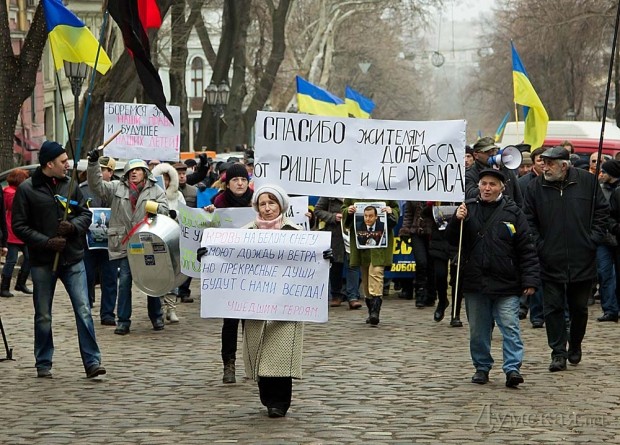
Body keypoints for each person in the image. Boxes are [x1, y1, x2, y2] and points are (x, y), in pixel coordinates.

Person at [12, 141, 106, 378]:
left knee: (84, 310)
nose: (67, 165)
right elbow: (19, 226)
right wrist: (46, 242)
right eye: (63, 162)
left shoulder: (70, 184)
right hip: (43, 262)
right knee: (43, 315)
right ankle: (43, 362)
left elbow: (85, 213)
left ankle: (92, 361)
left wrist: (73, 227)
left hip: (72, 258)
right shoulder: (27, 189)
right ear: (49, 164)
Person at [447, 169, 538, 387]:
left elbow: (526, 248)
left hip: (506, 282)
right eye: (484, 184)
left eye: (492, 184)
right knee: (478, 331)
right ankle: (481, 367)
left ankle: (512, 368)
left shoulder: (513, 212)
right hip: (476, 282)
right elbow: (451, 239)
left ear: (501, 188)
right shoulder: (467, 209)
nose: (487, 188)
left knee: (510, 327)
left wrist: (530, 280)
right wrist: (456, 220)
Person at [523, 146, 608, 372]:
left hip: (582, 258)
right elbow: (528, 220)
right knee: (553, 308)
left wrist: (592, 239)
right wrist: (540, 245)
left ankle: (575, 343)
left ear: (564, 165)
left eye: (550, 163)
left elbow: (602, 212)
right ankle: (558, 352)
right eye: (544, 162)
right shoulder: (535, 187)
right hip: (550, 258)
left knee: (579, 308)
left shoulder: (587, 182)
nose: (545, 167)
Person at [87, 151, 169, 335]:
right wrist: (93, 164)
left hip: (148, 243)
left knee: (151, 280)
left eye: (138, 170)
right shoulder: (117, 187)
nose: (134, 173)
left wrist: (153, 208)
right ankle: (123, 321)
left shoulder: (156, 190)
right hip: (126, 243)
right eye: (131, 170)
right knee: (124, 281)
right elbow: (96, 186)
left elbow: (166, 212)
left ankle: (156, 316)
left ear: (145, 173)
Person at [242, 184, 304, 418]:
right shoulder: (245, 233)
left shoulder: (296, 232)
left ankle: (279, 402)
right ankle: (268, 398)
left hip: (286, 302)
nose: (267, 208)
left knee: (281, 354)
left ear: (281, 205)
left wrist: (323, 257)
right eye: (262, 204)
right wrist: (209, 255)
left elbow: (311, 263)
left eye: (272, 203)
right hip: (256, 302)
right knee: (261, 352)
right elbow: (229, 259)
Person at [203, 163, 253, 384]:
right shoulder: (218, 204)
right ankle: (229, 363)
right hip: (229, 272)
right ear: (227, 183)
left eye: (243, 179)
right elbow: (205, 233)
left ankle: (253, 362)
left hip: (253, 271)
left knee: (252, 321)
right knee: (230, 321)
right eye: (235, 180)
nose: (240, 183)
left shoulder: (258, 202)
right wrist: (208, 217)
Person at [343, 199, 399, 326]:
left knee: (376, 272)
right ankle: (370, 309)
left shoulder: (386, 191)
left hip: (380, 245)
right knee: (366, 279)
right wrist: (348, 211)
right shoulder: (354, 192)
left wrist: (391, 212)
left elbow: (396, 210)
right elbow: (345, 209)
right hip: (361, 245)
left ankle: (375, 311)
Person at [79, 156, 119, 325]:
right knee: (86, 277)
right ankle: (85, 309)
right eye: (98, 169)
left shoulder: (118, 190)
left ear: (111, 172)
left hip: (110, 242)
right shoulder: (82, 189)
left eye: (103, 170)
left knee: (110, 279)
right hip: (87, 241)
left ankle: (108, 313)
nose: (100, 173)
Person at [151, 162, 186, 324]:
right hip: (156, 237)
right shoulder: (150, 194)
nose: (164, 182)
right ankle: (158, 307)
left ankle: (171, 308)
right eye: (162, 178)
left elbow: (185, 214)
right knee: (157, 274)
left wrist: (175, 214)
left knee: (173, 273)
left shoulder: (177, 195)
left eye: (167, 178)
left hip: (172, 237)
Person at [314, 197, 362, 308]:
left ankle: (353, 297)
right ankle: (336, 295)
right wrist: (333, 217)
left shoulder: (357, 192)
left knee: (353, 263)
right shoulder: (330, 193)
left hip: (354, 232)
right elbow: (318, 210)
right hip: (335, 233)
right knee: (335, 264)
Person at [465, 137, 523, 206]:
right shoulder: (469, 174)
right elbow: (470, 195)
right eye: (487, 152)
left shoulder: (506, 170)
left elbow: (518, 197)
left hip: (508, 210)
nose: (492, 154)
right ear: (476, 155)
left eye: (493, 150)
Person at [596, 159, 620, 322]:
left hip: (617, 238)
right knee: (604, 273)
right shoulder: (599, 189)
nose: (601, 174)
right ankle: (610, 309)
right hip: (603, 238)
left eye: (604, 172)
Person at [2, 168, 30, 297]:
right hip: (12, 231)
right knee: (11, 260)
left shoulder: (18, 191)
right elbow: (15, 206)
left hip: (22, 231)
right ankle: (4, 287)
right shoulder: (9, 192)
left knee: (29, 258)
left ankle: (21, 283)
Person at [174, 162, 196, 303]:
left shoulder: (194, 191)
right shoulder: (168, 190)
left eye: (184, 174)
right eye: (179, 174)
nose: (182, 176)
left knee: (189, 260)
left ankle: (184, 291)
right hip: (174, 229)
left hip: (189, 231)